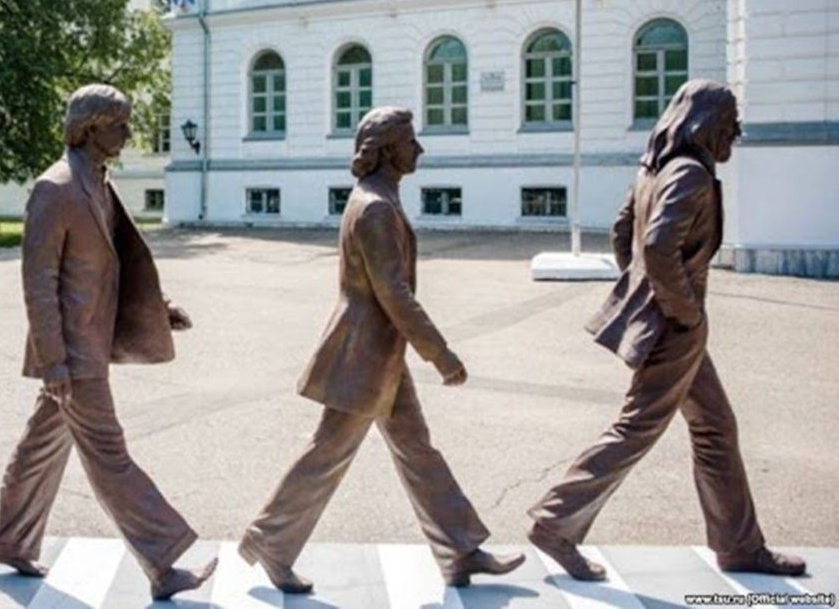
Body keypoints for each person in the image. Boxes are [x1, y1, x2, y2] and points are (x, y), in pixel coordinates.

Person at [527, 79, 807, 581]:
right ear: (707, 123)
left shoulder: (652, 170)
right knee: (637, 428)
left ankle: (739, 545)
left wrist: (646, 293)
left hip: (672, 324)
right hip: (677, 327)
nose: (736, 132)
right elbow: (656, 247)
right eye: (731, 121)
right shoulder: (690, 174)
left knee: (715, 426)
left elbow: (622, 233)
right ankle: (555, 522)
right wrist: (681, 310)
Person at [238, 107, 525, 591]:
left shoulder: (378, 199)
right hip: (363, 357)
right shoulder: (374, 207)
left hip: (381, 355)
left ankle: (459, 550)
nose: (420, 149)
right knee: (328, 452)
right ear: (389, 150)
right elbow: (393, 293)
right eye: (411, 141)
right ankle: (269, 539)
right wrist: (441, 353)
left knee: (417, 449)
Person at [0, 84, 216, 601]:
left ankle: (6, 540)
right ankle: (163, 561)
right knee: (110, 456)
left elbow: (114, 261)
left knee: (40, 445)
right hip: (72, 354)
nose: (127, 133)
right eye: (119, 125)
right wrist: (54, 362)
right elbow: (37, 284)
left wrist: (158, 308)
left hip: (86, 345)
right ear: (90, 128)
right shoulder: (56, 188)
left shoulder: (96, 182)